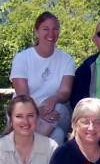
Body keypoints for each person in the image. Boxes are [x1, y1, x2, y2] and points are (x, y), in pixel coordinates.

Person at [10, 12, 75, 145]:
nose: (51, 33)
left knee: (61, 110)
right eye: (45, 29)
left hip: (53, 113)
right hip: (24, 111)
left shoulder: (66, 60)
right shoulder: (22, 58)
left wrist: (54, 99)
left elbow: (65, 92)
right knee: (58, 135)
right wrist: (36, 112)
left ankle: (27, 144)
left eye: (55, 29)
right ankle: (31, 145)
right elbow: (22, 95)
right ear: (37, 31)